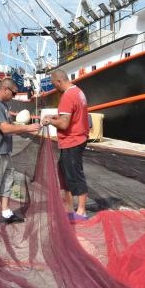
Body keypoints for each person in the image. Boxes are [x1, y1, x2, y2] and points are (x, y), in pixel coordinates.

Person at [0, 78, 41, 228]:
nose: (13, 96)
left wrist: (21, 127)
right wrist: (28, 128)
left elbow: (10, 126)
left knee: (7, 181)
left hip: (4, 150)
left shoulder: (3, 104)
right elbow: (5, 128)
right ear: (5, 89)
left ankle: (6, 213)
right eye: (13, 93)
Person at [42, 69, 90, 220]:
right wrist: (56, 116)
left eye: (53, 84)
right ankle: (69, 208)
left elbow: (63, 124)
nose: (54, 88)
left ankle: (81, 211)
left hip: (72, 141)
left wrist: (50, 121)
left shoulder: (67, 97)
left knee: (75, 175)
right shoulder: (78, 92)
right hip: (78, 138)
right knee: (64, 173)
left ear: (58, 82)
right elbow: (71, 115)